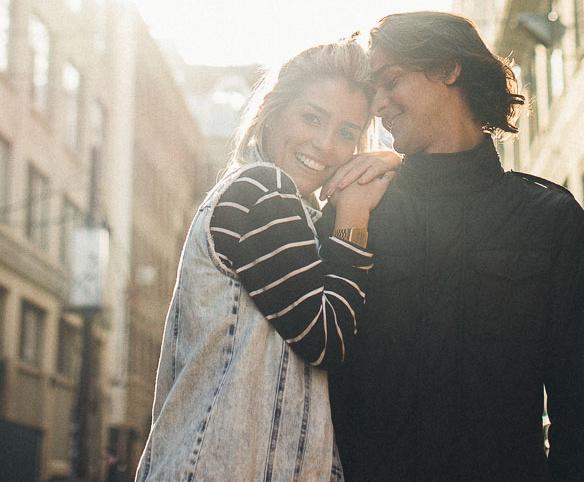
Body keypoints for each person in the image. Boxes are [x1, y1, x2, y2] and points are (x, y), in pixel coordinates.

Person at [324, 11, 584, 482]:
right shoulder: (356, 210)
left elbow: (582, 413)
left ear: (448, 68)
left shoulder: (551, 221)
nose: (378, 105)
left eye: (390, 80)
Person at [136, 40, 399, 482]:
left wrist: (392, 167)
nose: (325, 143)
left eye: (348, 133)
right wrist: (354, 214)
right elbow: (325, 338)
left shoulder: (295, 211)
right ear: (273, 111)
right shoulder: (263, 191)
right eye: (311, 118)